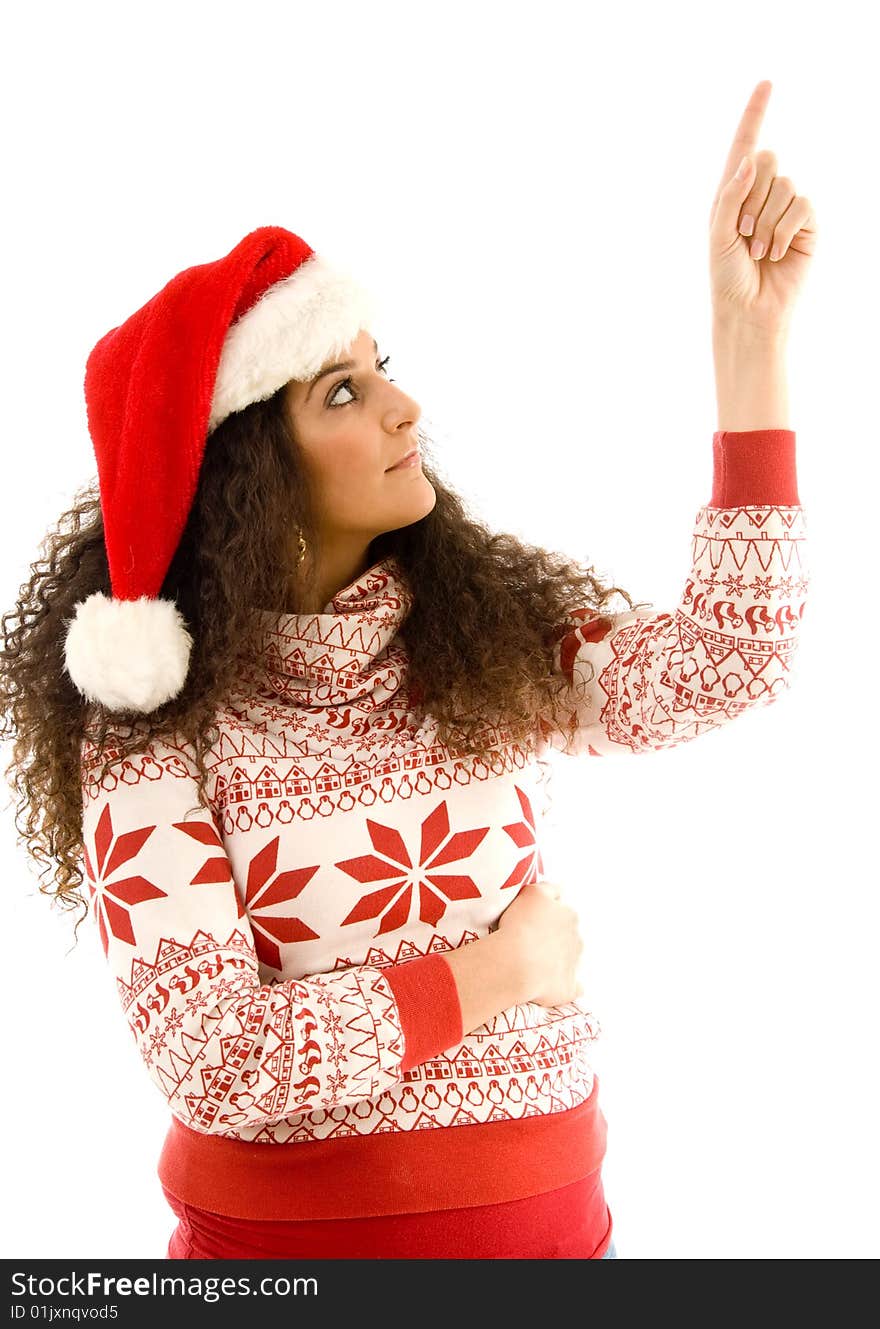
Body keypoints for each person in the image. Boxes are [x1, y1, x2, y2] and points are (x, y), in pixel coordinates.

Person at [0, 89, 814, 1257]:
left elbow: (728, 662)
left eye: (384, 368)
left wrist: (752, 347)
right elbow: (219, 1061)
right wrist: (496, 972)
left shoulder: (476, 635)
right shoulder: (152, 727)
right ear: (248, 476)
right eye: (342, 391)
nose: (404, 407)